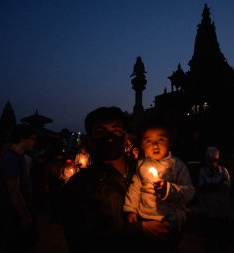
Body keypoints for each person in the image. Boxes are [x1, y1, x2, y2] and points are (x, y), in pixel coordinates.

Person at [60, 106, 171, 253]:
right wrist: (138, 229)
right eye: (101, 131)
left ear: (125, 138)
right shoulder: (78, 186)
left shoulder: (146, 171)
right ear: (90, 141)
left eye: (116, 130)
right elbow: (81, 242)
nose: (110, 137)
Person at [123, 120, 195, 252]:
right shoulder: (141, 165)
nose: (155, 145)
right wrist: (131, 209)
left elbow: (189, 191)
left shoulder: (177, 166)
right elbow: (135, 188)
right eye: (148, 140)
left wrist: (168, 189)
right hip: (145, 215)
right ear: (142, 145)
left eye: (161, 139)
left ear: (170, 142)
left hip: (169, 219)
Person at [0, 124, 39, 252]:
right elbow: (14, 190)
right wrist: (25, 216)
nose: (34, 141)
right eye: (33, 138)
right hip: (12, 214)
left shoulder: (20, 157)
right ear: (22, 138)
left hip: (15, 212)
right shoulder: (11, 158)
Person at [197, 146, 231, 253]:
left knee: (222, 234)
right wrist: (217, 186)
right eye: (207, 159)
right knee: (210, 235)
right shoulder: (202, 171)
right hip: (208, 208)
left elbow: (227, 186)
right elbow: (202, 188)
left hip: (222, 208)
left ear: (216, 160)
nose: (209, 162)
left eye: (212, 160)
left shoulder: (223, 171)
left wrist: (211, 186)